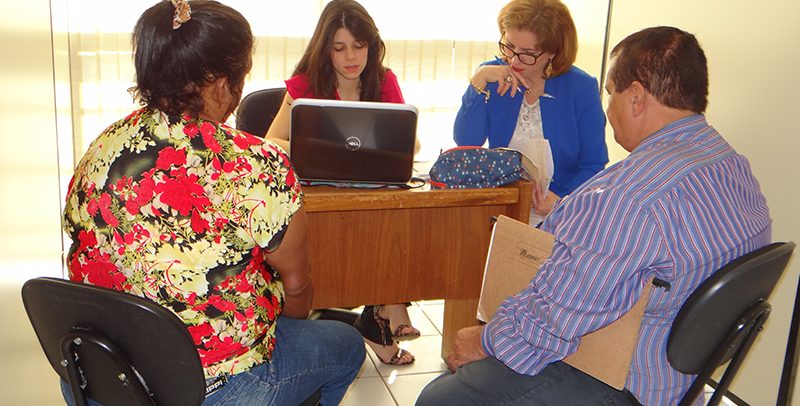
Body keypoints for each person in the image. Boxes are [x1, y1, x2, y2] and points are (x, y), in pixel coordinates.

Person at [417, 26, 772, 406]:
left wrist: (485, 341)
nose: (609, 108)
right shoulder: (731, 165)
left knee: (441, 398)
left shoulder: (630, 197)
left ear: (636, 97)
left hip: (625, 382)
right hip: (681, 379)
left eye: (611, 93)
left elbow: (555, 320)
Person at [61, 1, 365, 405]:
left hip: (106, 377)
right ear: (222, 84)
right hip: (212, 389)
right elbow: (297, 289)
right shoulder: (256, 163)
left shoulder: (101, 147)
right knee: (346, 344)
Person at [266, 0, 418, 366]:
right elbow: (271, 141)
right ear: (325, 49)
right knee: (365, 234)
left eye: (359, 45)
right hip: (319, 197)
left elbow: (410, 144)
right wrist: (322, 148)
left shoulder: (384, 81)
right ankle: (387, 307)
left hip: (370, 192)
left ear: (372, 45)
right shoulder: (305, 85)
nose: (351, 56)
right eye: (339, 47)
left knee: (398, 221)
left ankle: (387, 303)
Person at [454, 0, 607, 224]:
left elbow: (593, 164)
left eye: (528, 53)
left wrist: (563, 200)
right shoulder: (494, 75)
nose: (514, 59)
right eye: (509, 46)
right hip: (502, 208)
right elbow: (467, 142)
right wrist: (479, 80)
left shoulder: (580, 88)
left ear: (553, 52)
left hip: (560, 214)